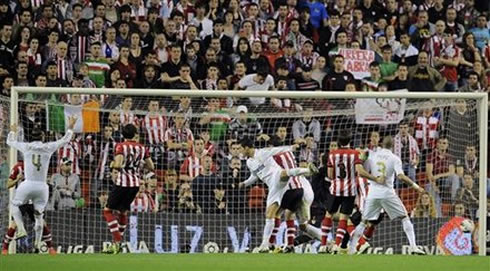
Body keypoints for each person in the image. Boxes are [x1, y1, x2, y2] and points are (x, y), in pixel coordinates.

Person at [6, 116, 76, 251]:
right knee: (39, 215)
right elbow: (65, 140)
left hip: (27, 184)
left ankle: (21, 229)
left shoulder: (26, 146)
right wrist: (71, 127)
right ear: (42, 137)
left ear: (30, 137)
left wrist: (13, 131)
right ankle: (37, 244)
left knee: (14, 205)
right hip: (42, 187)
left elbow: (10, 141)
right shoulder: (48, 147)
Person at [238, 137, 318, 253]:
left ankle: (307, 171)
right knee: (270, 215)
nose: (240, 151)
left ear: (246, 148)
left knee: (283, 174)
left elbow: (278, 150)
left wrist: (292, 147)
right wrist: (244, 184)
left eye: (241, 148)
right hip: (274, 187)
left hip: (278, 178)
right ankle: (266, 245)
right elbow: (254, 176)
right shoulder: (249, 162)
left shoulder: (262, 153)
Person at [349, 136, 426, 255]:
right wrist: (416, 187)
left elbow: (363, 167)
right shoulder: (395, 158)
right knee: (404, 217)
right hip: (387, 193)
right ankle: (413, 247)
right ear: (394, 146)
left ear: (381, 144)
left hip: (373, 193)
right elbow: (401, 176)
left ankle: (352, 248)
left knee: (363, 222)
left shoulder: (373, 155)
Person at [318, 129, 381, 254]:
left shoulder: (332, 154)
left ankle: (323, 245)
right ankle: (337, 245)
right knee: (344, 218)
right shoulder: (354, 154)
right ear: (350, 140)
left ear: (338, 141)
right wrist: (374, 178)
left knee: (328, 215)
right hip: (350, 190)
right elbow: (360, 171)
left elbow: (330, 175)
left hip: (335, 189)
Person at [102, 124, 155, 254]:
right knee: (122, 212)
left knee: (107, 211)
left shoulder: (121, 146)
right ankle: (116, 245)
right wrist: (137, 167)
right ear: (135, 134)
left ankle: (118, 239)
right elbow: (151, 167)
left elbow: (118, 164)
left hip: (122, 183)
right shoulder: (142, 148)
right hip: (135, 184)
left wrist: (112, 164)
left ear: (123, 135)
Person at [2, 160, 57, 255]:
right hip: (21, 201)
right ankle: (5, 249)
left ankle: (51, 248)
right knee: (14, 224)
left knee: (42, 224)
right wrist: (17, 179)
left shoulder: (38, 168)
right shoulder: (18, 167)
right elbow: (8, 184)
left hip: (34, 201)